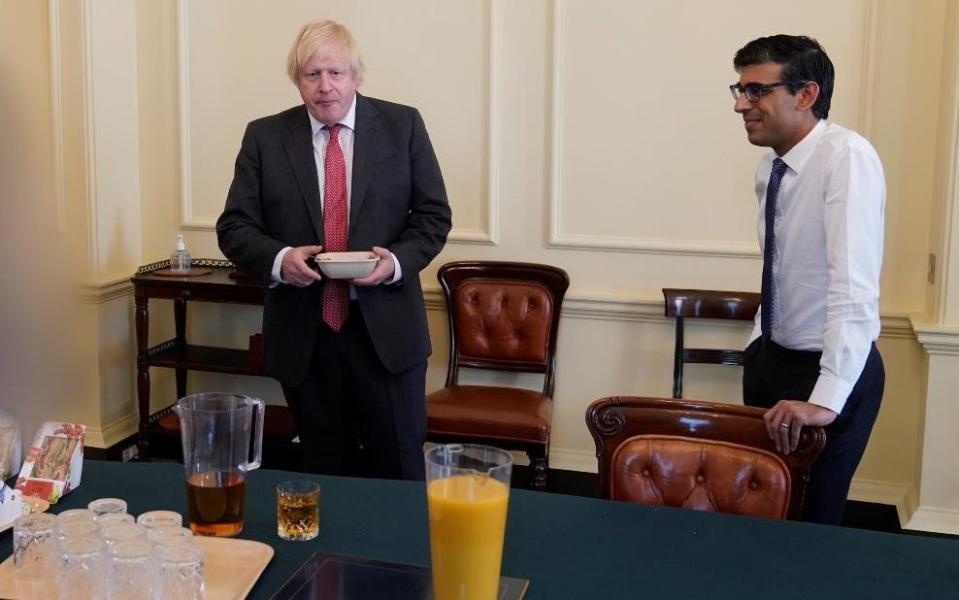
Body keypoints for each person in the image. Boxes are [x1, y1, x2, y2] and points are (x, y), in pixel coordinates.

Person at [217, 20, 451, 481]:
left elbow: (433, 216)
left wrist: (395, 263)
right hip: (306, 337)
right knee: (325, 475)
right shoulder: (264, 137)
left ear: (356, 75)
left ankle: (402, 555)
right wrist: (282, 260)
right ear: (297, 80)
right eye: (312, 75)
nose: (325, 87)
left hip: (386, 334)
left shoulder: (402, 126)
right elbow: (235, 226)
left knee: (401, 471)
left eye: (336, 73)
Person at [730, 35, 885, 524]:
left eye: (756, 91)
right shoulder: (770, 167)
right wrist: (759, 345)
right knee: (766, 510)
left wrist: (825, 399)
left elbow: (852, 288)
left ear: (806, 94)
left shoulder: (847, 157)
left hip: (827, 368)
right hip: (772, 361)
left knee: (811, 525)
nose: (740, 104)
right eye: (738, 89)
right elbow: (782, 269)